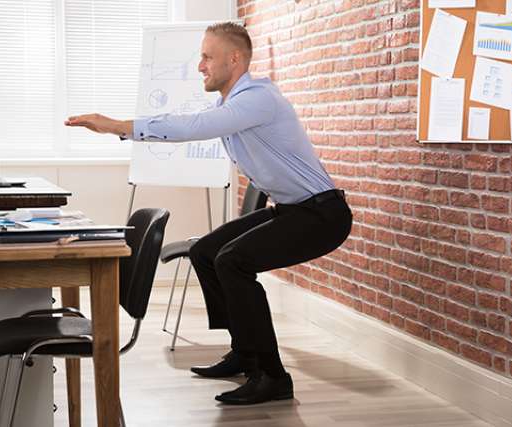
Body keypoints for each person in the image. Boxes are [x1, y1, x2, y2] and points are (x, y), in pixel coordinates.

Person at [65, 22, 353, 405]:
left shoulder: (257, 100)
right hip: (292, 209)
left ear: (234, 59)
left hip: (323, 215)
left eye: (206, 56)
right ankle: (245, 352)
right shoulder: (233, 104)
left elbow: (193, 126)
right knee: (206, 251)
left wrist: (117, 126)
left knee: (234, 261)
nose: (200, 65)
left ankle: (272, 375)